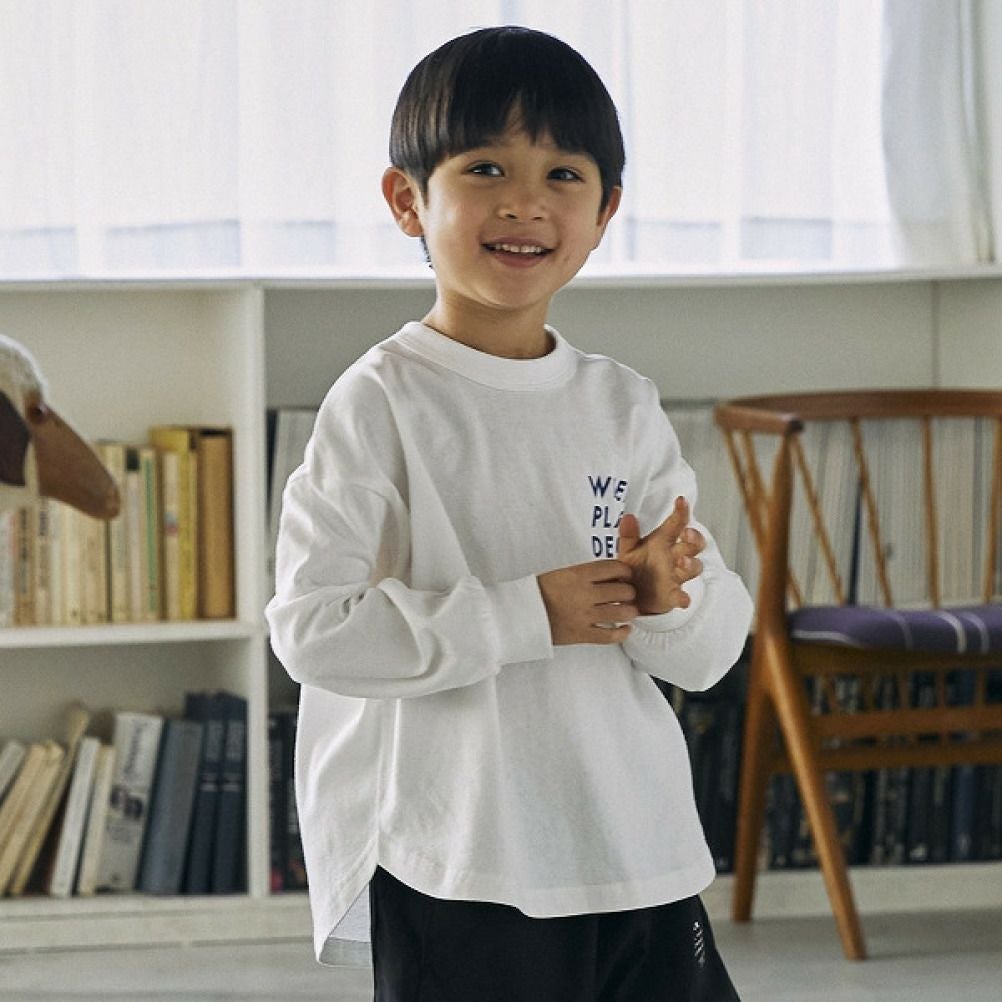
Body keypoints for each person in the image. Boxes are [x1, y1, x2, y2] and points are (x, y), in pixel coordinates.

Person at [266, 25, 753, 1002]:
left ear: (606, 212)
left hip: (635, 848)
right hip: (463, 860)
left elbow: (707, 651)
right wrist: (531, 613)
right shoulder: (381, 403)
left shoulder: (621, 403)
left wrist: (665, 600)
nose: (525, 202)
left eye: (563, 174)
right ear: (408, 199)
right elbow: (314, 632)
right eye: (485, 167)